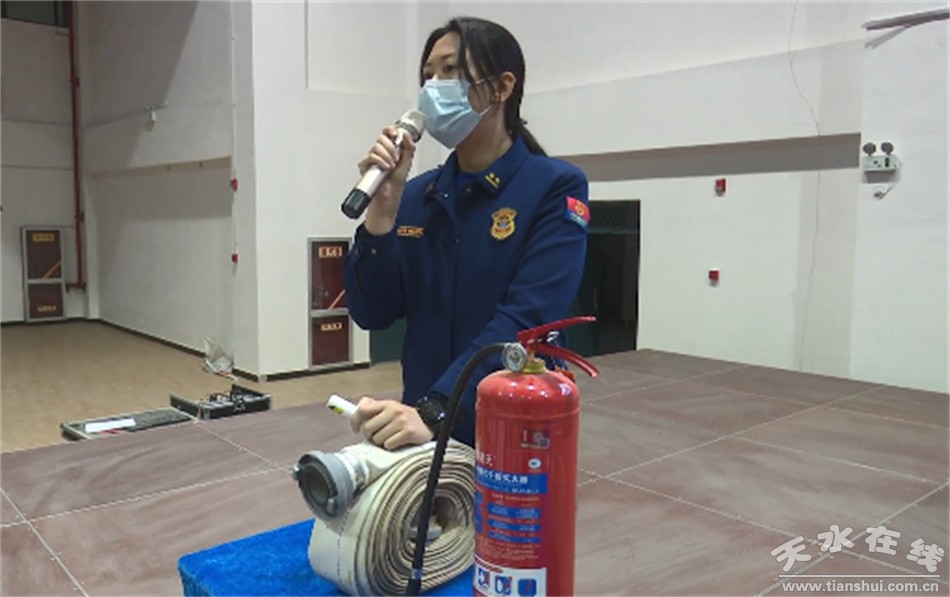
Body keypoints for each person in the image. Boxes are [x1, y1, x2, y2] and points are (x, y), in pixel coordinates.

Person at [343, 16, 590, 450]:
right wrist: (382, 213)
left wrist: (438, 408)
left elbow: (527, 317)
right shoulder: (418, 195)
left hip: (512, 424)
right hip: (425, 429)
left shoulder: (553, 188)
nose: (433, 87)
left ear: (502, 87)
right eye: (428, 75)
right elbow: (373, 314)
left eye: (450, 70)